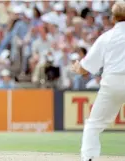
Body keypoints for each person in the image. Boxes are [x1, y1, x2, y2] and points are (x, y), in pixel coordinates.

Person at [71, 2, 125, 161]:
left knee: (93, 125)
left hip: (112, 83)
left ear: (113, 18)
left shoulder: (107, 37)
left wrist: (77, 67)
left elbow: (86, 68)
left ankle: (89, 158)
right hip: (113, 80)